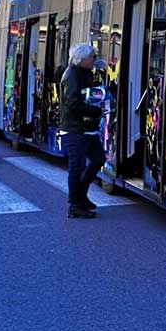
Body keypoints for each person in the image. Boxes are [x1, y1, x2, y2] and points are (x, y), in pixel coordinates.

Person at [60, 43, 105, 219]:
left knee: (98, 158)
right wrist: (95, 111)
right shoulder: (72, 75)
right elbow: (72, 103)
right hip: (75, 128)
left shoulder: (84, 73)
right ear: (83, 59)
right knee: (77, 166)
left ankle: (81, 196)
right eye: (93, 57)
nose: (95, 59)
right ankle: (75, 205)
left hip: (86, 128)